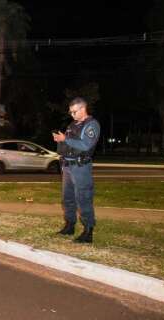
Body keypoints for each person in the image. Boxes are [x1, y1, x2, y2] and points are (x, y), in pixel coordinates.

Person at [52, 97, 100, 243]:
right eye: (70, 112)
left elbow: (85, 145)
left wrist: (64, 139)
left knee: (83, 198)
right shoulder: (73, 124)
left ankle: (88, 231)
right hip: (67, 165)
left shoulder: (92, 125)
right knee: (68, 198)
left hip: (81, 167)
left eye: (74, 112)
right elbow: (69, 143)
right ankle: (70, 225)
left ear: (82, 109)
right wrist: (60, 140)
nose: (72, 115)